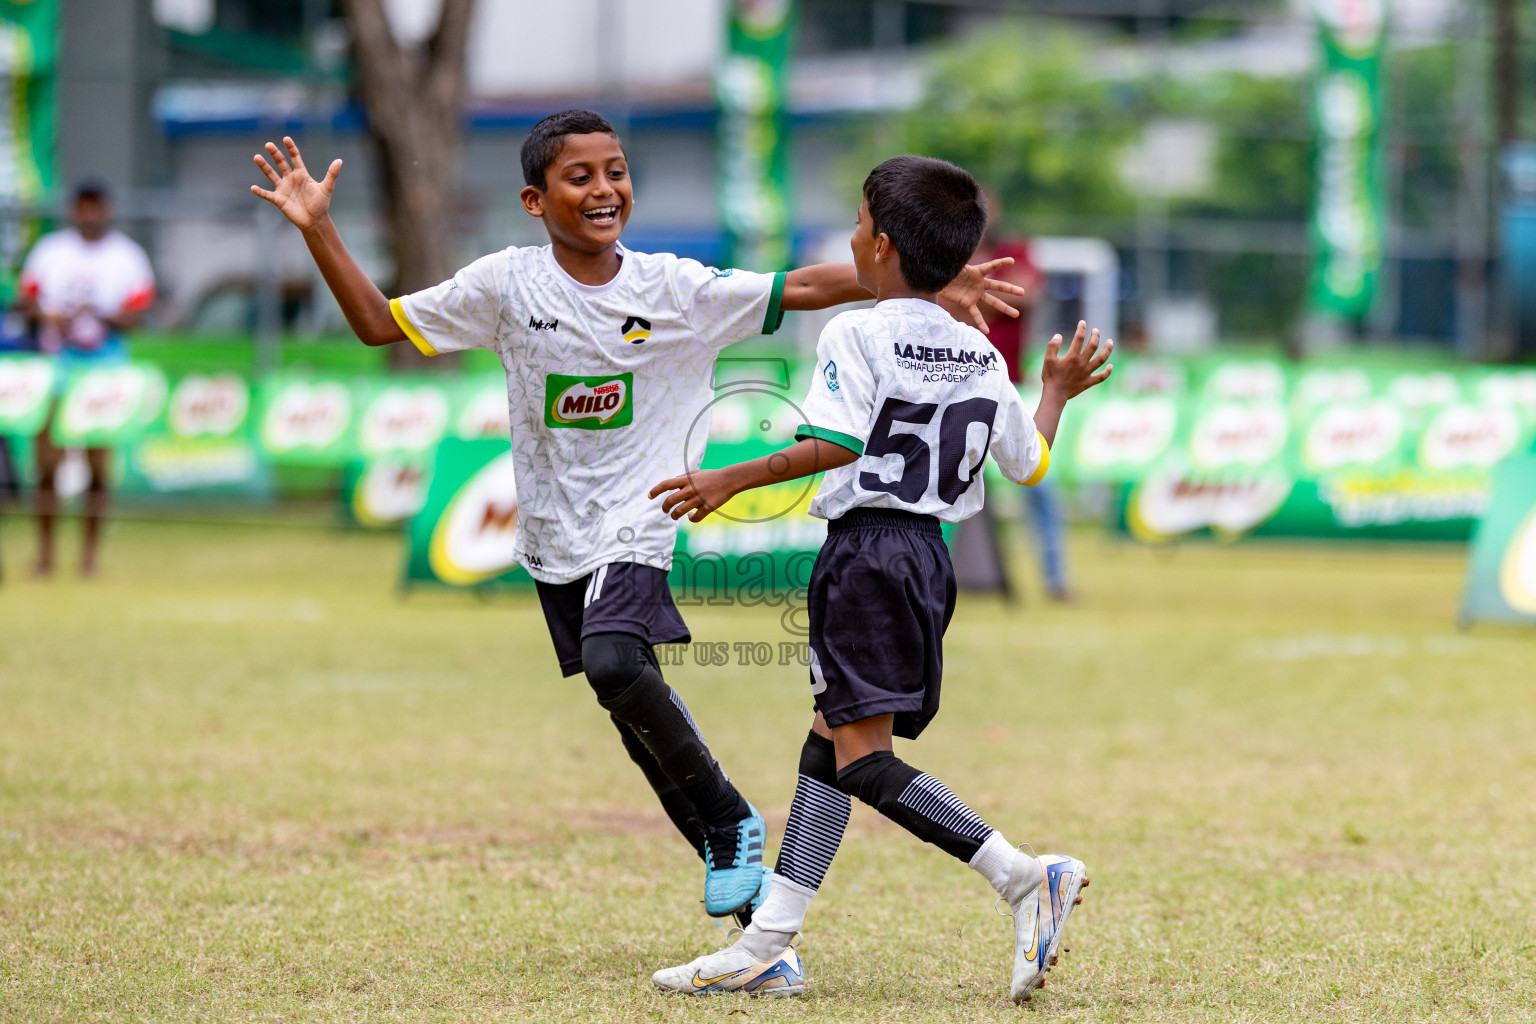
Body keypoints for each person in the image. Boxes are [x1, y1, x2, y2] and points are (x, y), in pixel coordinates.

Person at [249, 111, 1025, 924]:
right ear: (533, 200)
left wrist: (928, 288)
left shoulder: (671, 289)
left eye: (615, 170)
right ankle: (759, 930)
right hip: (554, 533)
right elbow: (379, 324)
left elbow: (799, 287)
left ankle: (730, 821)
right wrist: (319, 229)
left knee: (619, 665)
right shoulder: (505, 285)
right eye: (579, 176)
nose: (603, 188)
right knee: (619, 697)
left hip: (641, 515)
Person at [648, 156, 1111, 1001]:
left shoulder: (854, 333)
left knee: (862, 758)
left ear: (884, 244)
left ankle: (1022, 876)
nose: (854, 236)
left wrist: (729, 479)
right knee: (830, 743)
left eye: (860, 224)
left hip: (865, 556)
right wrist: (1056, 394)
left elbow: (839, 444)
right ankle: (769, 944)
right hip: (928, 560)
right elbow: (1031, 463)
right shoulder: (975, 349)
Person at [16, 180, 156, 577]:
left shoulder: (127, 256)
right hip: (57, 369)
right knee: (47, 463)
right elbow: (24, 302)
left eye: (97, 208)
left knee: (98, 467)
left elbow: (139, 316)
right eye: (84, 208)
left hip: (104, 373)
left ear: (107, 210)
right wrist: (49, 317)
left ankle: (89, 557)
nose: (90, 216)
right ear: (73, 210)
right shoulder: (49, 252)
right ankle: (45, 555)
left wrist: (98, 314)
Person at [947, 191, 1074, 602]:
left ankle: (1055, 580)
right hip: (953, 386)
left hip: (1007, 387)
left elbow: (1027, 294)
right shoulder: (945, 254)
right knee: (945, 486)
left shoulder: (1015, 249)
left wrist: (967, 295)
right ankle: (947, 576)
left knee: (1040, 484)